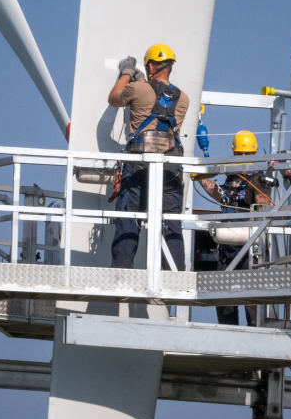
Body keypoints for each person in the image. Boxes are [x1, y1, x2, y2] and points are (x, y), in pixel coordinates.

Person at [108, 43, 189, 270]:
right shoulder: (184, 98)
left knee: (129, 219)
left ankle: (121, 274)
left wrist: (127, 72)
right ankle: (173, 276)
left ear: (151, 65)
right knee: (171, 223)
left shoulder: (139, 88)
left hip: (138, 166)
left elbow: (114, 98)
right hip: (170, 170)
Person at [199, 130, 275, 326]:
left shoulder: (258, 179)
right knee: (224, 300)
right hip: (227, 246)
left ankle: (255, 338)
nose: (243, 158)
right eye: (240, 154)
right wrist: (201, 177)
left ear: (255, 153)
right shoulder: (230, 176)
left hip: (250, 248)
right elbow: (221, 197)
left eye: (247, 154)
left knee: (251, 300)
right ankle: (227, 336)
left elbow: (263, 210)